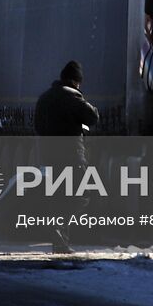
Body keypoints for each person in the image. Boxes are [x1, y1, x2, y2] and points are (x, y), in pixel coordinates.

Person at [33, 60, 100, 253]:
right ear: (75, 81)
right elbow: (92, 117)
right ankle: (58, 230)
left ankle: (60, 243)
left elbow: (37, 125)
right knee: (82, 195)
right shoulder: (72, 98)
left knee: (59, 197)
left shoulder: (44, 98)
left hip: (49, 156)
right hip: (71, 156)